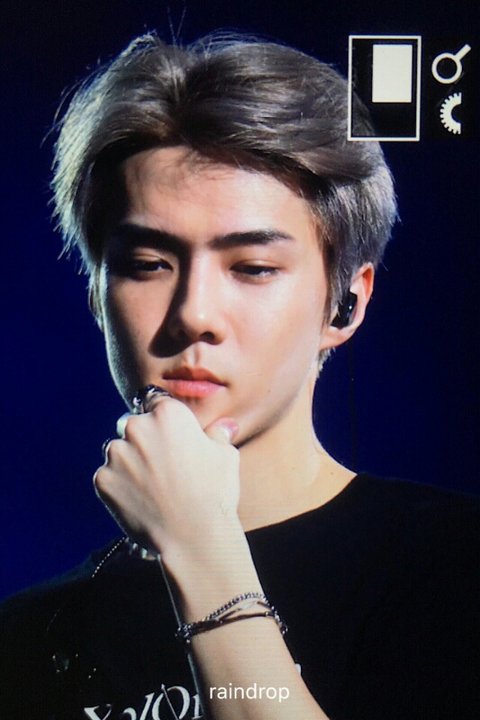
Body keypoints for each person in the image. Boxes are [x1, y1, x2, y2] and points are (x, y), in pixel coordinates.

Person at [1, 32, 478, 720]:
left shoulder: (453, 566)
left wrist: (202, 548)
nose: (194, 314)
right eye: (146, 265)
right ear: (96, 297)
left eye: (252, 268)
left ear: (345, 303)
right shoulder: (25, 637)